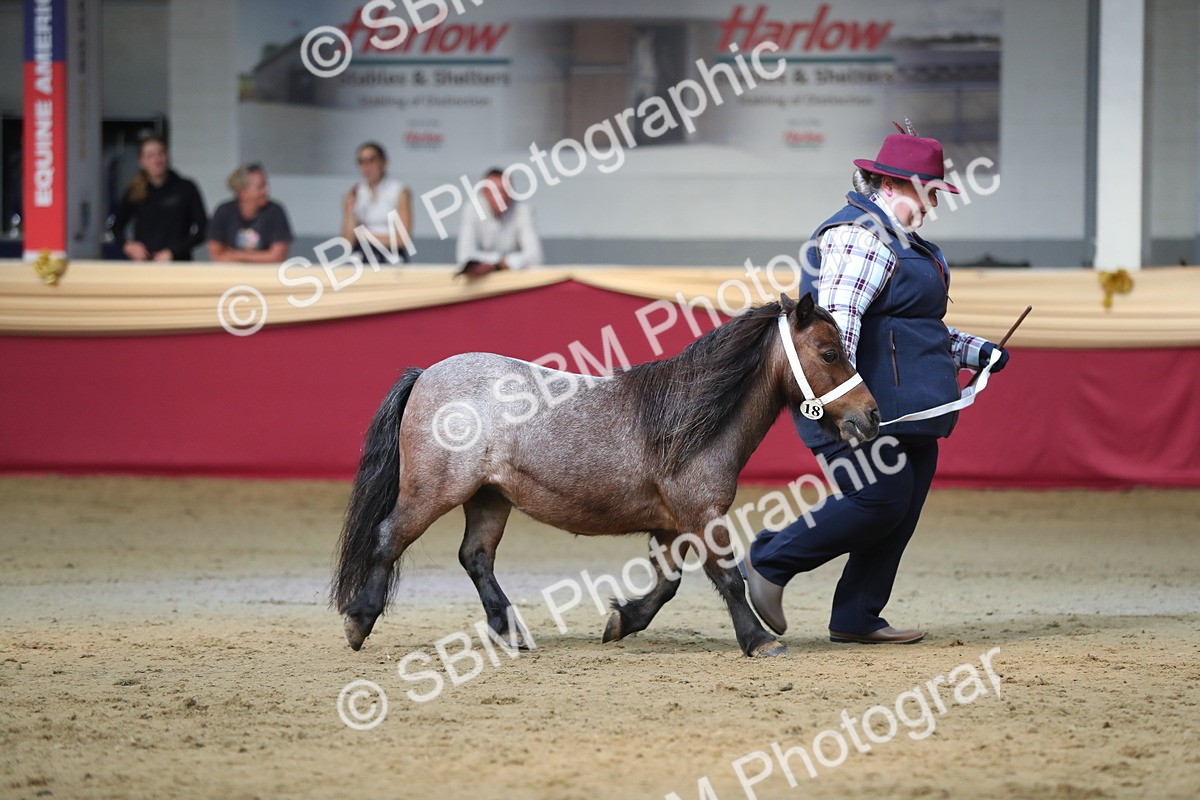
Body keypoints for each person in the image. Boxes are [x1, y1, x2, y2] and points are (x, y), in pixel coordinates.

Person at [743, 129, 1010, 645]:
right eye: (926, 193)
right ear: (890, 184)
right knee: (879, 500)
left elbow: (916, 330)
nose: (931, 207)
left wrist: (976, 352)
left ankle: (857, 615)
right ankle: (769, 560)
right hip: (853, 406)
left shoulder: (903, 242)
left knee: (900, 508)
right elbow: (837, 330)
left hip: (904, 408)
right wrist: (843, 407)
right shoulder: (860, 236)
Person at [111, 136, 207, 262]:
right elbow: (116, 226)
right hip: (144, 264)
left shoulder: (185, 188)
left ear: (167, 157)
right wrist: (127, 245)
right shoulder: (135, 190)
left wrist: (174, 251)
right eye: (150, 156)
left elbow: (204, 229)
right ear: (141, 161)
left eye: (160, 154)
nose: (156, 160)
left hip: (178, 263)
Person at [455, 168, 543, 277]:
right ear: (484, 193)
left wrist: (495, 265)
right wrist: (500, 262)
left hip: (515, 281)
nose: (502, 196)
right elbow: (464, 256)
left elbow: (535, 256)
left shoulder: (523, 210)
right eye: (495, 191)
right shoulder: (472, 209)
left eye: (505, 190)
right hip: (481, 284)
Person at [341, 142, 413, 263]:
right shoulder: (353, 193)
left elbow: (402, 240)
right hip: (362, 253)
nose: (366, 166)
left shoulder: (400, 191)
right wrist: (350, 211)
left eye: (371, 160)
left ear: (384, 162)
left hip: (391, 253)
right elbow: (347, 242)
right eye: (361, 162)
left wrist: (365, 235)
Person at [207, 163, 292, 263]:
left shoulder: (275, 212)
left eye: (266, 185)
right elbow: (216, 256)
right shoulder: (224, 212)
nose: (267, 191)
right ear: (242, 193)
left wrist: (235, 254)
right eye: (260, 187)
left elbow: (277, 256)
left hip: (265, 276)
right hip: (231, 275)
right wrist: (262, 256)